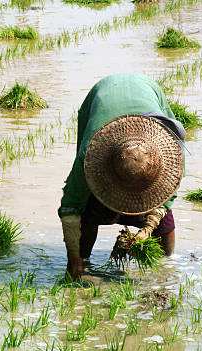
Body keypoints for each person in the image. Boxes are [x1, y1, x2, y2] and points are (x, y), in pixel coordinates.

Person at [58, 73, 186, 280]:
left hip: (147, 86)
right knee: (87, 204)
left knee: (164, 224)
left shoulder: (170, 148)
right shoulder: (89, 154)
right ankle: (84, 260)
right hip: (100, 95)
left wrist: (147, 229)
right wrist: (73, 257)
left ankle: (167, 268)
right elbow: (71, 206)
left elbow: (167, 197)